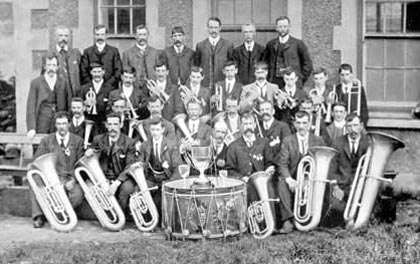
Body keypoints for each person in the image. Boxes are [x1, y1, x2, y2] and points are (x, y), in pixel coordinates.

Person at [225, 112, 292, 233]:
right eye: (245, 124)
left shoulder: (264, 143)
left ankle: (271, 225)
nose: (248, 127)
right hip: (244, 182)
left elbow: (269, 162)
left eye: (250, 123)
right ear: (241, 126)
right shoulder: (233, 146)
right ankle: (254, 225)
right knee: (249, 191)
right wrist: (242, 178)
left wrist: (269, 169)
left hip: (263, 180)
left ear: (255, 125)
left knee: (270, 189)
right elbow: (230, 170)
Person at [31, 111, 84, 228]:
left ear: (69, 124)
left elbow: (80, 165)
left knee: (78, 195)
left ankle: (58, 214)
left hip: (70, 178)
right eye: (59, 124)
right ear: (55, 125)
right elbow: (37, 161)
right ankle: (39, 216)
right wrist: (47, 179)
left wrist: (74, 180)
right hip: (52, 178)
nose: (61, 127)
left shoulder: (78, 141)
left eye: (64, 123)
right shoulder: (46, 140)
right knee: (35, 179)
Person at [278, 110, 326, 232]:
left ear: (310, 124)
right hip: (293, 177)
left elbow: (322, 164)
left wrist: (308, 180)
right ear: (294, 124)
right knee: (282, 182)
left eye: (304, 123)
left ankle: (314, 218)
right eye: (298, 123)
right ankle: (288, 220)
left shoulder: (318, 140)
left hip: (311, 178)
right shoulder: (288, 140)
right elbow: (283, 163)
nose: (301, 126)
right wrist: (289, 179)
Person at [86, 112, 137, 213]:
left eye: (115, 124)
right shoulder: (98, 139)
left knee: (127, 188)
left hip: (121, 177)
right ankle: (102, 212)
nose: (112, 127)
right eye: (110, 124)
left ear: (121, 125)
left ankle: (120, 214)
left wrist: (117, 182)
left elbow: (129, 166)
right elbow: (90, 159)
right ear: (106, 125)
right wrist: (88, 153)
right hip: (103, 176)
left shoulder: (129, 142)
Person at [327, 113, 370, 226]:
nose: (353, 130)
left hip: (361, 186)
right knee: (336, 207)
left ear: (361, 125)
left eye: (356, 125)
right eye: (349, 126)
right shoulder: (338, 142)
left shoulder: (369, 142)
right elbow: (331, 167)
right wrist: (335, 187)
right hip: (342, 186)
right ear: (345, 127)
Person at [137, 117, 182, 220]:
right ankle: (147, 220)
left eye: (157, 130)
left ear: (163, 130)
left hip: (166, 178)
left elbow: (178, 166)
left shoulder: (172, 145)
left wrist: (170, 183)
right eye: (152, 130)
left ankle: (164, 221)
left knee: (163, 198)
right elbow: (141, 163)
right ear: (149, 130)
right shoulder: (144, 145)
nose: (155, 133)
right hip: (151, 179)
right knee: (139, 191)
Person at [27, 53, 72, 137]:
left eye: (54, 65)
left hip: (59, 120)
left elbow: (69, 103)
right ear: (44, 66)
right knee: (40, 145)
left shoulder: (63, 82)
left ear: (58, 67)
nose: (51, 68)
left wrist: (68, 123)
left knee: (58, 145)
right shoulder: (36, 83)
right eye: (49, 65)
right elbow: (31, 106)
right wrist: (31, 128)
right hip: (42, 120)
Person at [263, 16, 313, 89]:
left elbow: (307, 65)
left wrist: (300, 79)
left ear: (289, 27)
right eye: (280, 26)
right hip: (274, 82)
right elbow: (265, 63)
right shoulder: (271, 44)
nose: (282, 29)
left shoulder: (298, 44)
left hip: (292, 82)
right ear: (276, 28)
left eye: (285, 26)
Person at [195, 17, 234, 89]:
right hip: (205, 85)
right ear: (208, 28)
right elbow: (197, 66)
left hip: (222, 85)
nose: (213, 30)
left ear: (220, 28)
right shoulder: (200, 46)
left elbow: (231, 65)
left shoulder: (228, 45)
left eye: (216, 27)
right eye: (211, 27)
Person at [80, 24, 122, 89]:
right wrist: (92, 84)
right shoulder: (88, 52)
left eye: (102, 34)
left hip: (110, 88)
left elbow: (118, 71)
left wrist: (107, 85)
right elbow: (84, 71)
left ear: (106, 35)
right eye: (97, 35)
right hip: (92, 88)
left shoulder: (114, 51)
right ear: (94, 36)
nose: (100, 37)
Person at [79, 62, 115, 134]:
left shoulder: (110, 89)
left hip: (103, 122)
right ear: (91, 72)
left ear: (103, 72)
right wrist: (85, 104)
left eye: (99, 72)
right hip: (88, 120)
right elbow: (79, 105)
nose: (97, 74)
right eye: (94, 72)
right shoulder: (83, 88)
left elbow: (111, 108)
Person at [48, 25, 81, 96]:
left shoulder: (76, 54)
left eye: (66, 36)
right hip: (57, 94)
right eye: (60, 36)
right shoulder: (49, 55)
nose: (63, 38)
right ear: (55, 37)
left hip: (73, 93)